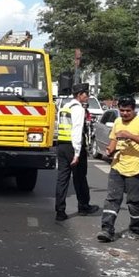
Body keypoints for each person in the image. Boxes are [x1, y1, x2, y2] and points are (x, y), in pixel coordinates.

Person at [97, 96, 139, 243]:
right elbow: (113, 140)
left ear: (133, 109)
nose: (124, 114)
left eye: (127, 111)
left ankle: (137, 230)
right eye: (121, 110)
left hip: (137, 167)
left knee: (133, 201)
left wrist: (130, 135)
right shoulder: (117, 122)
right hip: (118, 165)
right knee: (112, 198)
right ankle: (107, 230)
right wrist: (109, 150)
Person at [54, 83, 99, 221]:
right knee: (80, 178)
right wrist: (77, 153)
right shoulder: (78, 109)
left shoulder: (64, 107)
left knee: (62, 179)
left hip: (61, 145)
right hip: (73, 147)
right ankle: (84, 206)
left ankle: (60, 211)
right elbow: (77, 131)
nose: (88, 97)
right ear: (80, 95)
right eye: (86, 94)